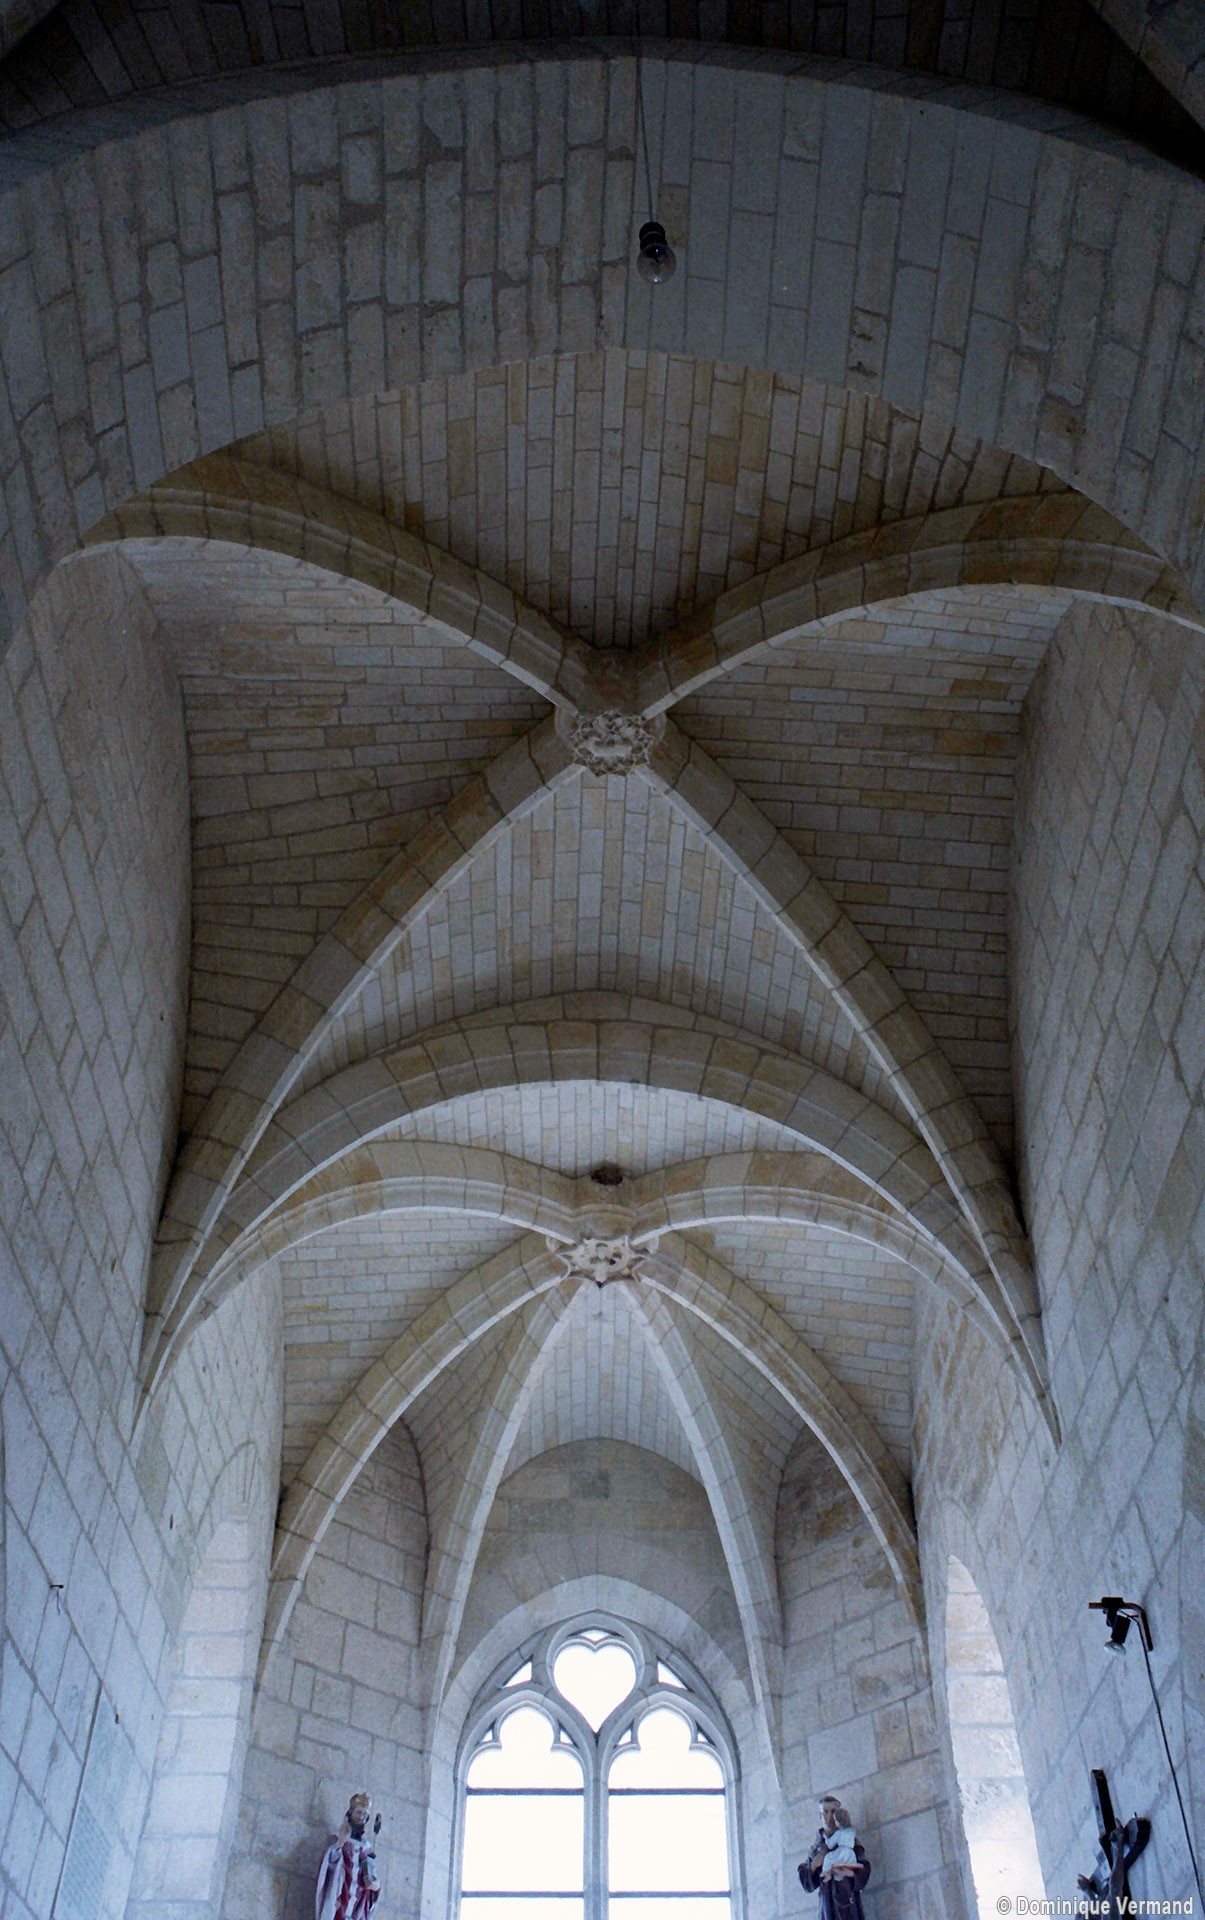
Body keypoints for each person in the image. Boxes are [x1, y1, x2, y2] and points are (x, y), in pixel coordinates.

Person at [799, 1794, 871, 1920]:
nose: (829, 1817)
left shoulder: (849, 1840)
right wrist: (814, 1864)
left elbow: (865, 1869)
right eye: (825, 1812)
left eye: (833, 1812)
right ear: (820, 1815)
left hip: (849, 1904)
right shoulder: (817, 1847)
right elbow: (807, 1884)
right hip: (827, 1907)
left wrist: (849, 1873)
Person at [316, 1791, 381, 1920]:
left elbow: (372, 1878)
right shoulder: (338, 1839)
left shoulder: (367, 1847)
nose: (361, 1817)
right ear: (350, 1813)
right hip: (340, 1896)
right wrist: (340, 1843)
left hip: (358, 1902)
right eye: (358, 1812)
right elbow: (328, 1865)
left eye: (365, 1814)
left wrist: (375, 1885)